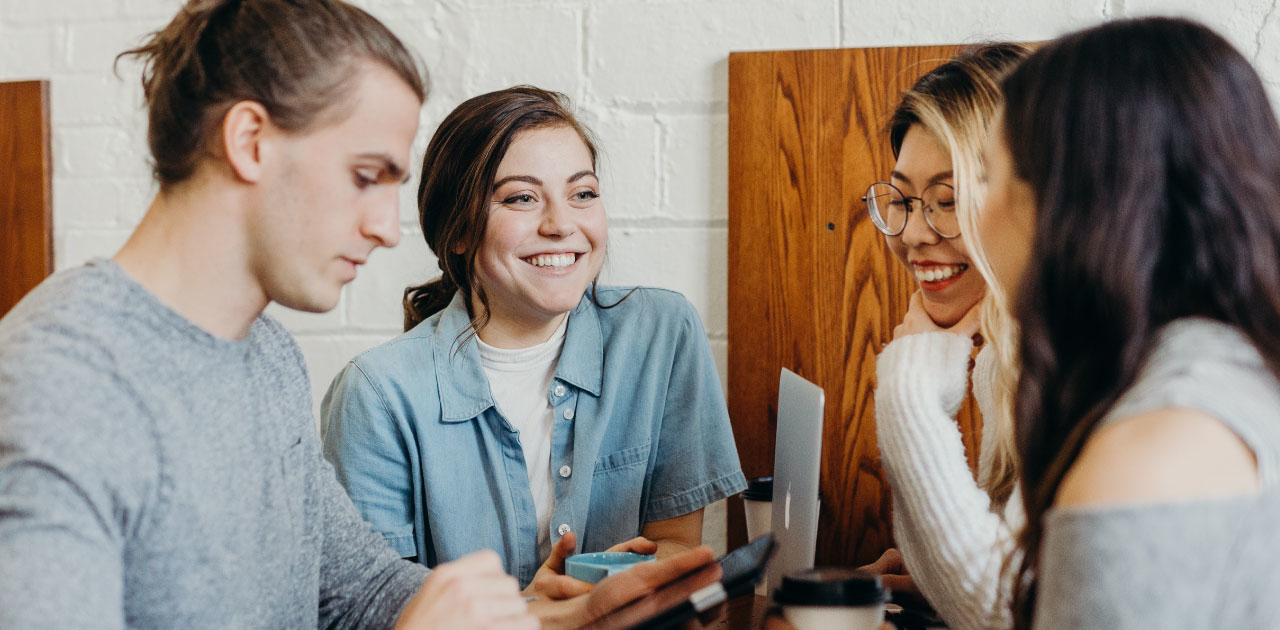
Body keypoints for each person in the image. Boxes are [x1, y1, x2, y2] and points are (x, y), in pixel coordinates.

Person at [0, 2, 715, 628]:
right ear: (249, 141)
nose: (386, 228)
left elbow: (360, 592)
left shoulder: (265, 356)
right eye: (365, 176)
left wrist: (542, 619)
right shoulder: (59, 385)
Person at [320, 85, 747, 591]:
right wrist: (540, 615)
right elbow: (372, 609)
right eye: (521, 197)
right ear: (457, 231)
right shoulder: (375, 395)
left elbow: (676, 545)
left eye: (582, 193)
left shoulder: (662, 333)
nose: (562, 224)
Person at [982, 17, 1280, 629]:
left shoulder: (1149, 458)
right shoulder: (1239, 374)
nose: (971, 217)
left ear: (1064, 204)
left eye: (988, 177)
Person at [859, 43, 1029, 630]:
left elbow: (1009, 614)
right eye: (903, 200)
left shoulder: (1083, 361)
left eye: (947, 201)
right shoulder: (1005, 356)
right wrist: (937, 571)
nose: (911, 234)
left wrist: (908, 393)